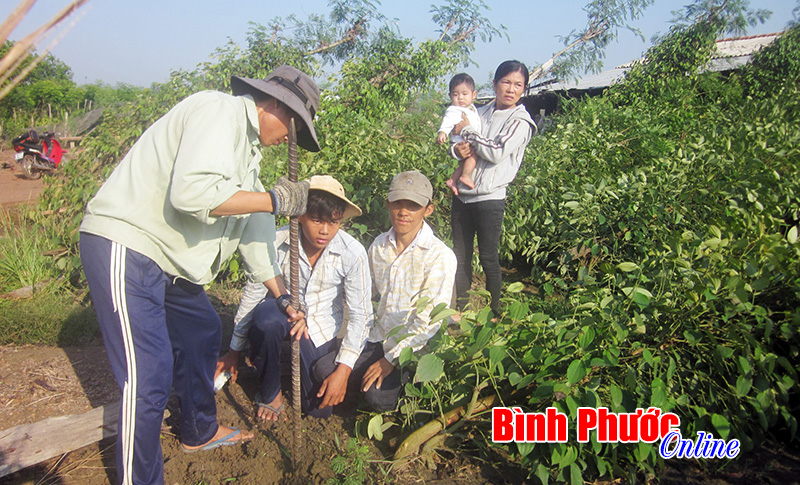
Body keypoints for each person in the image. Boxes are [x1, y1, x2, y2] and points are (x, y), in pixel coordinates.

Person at [79, 65, 319, 485]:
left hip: (169, 264)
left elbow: (255, 238)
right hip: (130, 244)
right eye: (293, 128)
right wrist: (271, 199)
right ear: (276, 105)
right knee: (147, 377)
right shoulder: (219, 111)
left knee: (203, 330)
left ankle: (198, 430)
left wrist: (284, 298)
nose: (288, 140)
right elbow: (191, 193)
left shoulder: (249, 157)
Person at [215, 175, 374, 420]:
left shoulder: (352, 253)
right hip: (283, 314)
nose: (324, 231)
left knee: (319, 410)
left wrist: (343, 370)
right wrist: (234, 350)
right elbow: (254, 292)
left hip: (320, 328)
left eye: (333, 222)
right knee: (266, 320)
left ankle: (300, 367)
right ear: (300, 216)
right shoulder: (277, 242)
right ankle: (270, 392)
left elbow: (361, 315)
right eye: (316, 220)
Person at [360, 170, 457, 411]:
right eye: (398, 203)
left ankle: (408, 386)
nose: (403, 212)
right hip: (379, 335)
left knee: (378, 398)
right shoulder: (379, 245)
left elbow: (428, 322)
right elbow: (364, 294)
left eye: (413, 205)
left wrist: (391, 360)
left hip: (414, 346)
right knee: (325, 370)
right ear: (387, 204)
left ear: (428, 210)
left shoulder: (439, 256)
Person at [449, 60, 537, 317]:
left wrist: (468, 133)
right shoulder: (478, 112)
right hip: (462, 197)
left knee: (488, 258)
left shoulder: (520, 121)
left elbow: (496, 152)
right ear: (496, 84)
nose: (511, 89)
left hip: (490, 198)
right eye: (506, 82)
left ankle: (494, 314)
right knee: (461, 258)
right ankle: (462, 313)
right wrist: (457, 150)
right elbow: (456, 139)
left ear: (523, 90)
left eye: (518, 85)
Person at [436, 73, 481, 195]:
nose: (460, 98)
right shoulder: (454, 109)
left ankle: (453, 180)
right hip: (461, 141)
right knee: (474, 157)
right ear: (450, 96)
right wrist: (443, 132)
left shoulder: (472, 109)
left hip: (468, 140)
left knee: (462, 164)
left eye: (464, 94)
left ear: (474, 94)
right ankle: (465, 176)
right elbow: (448, 121)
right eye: (455, 95)